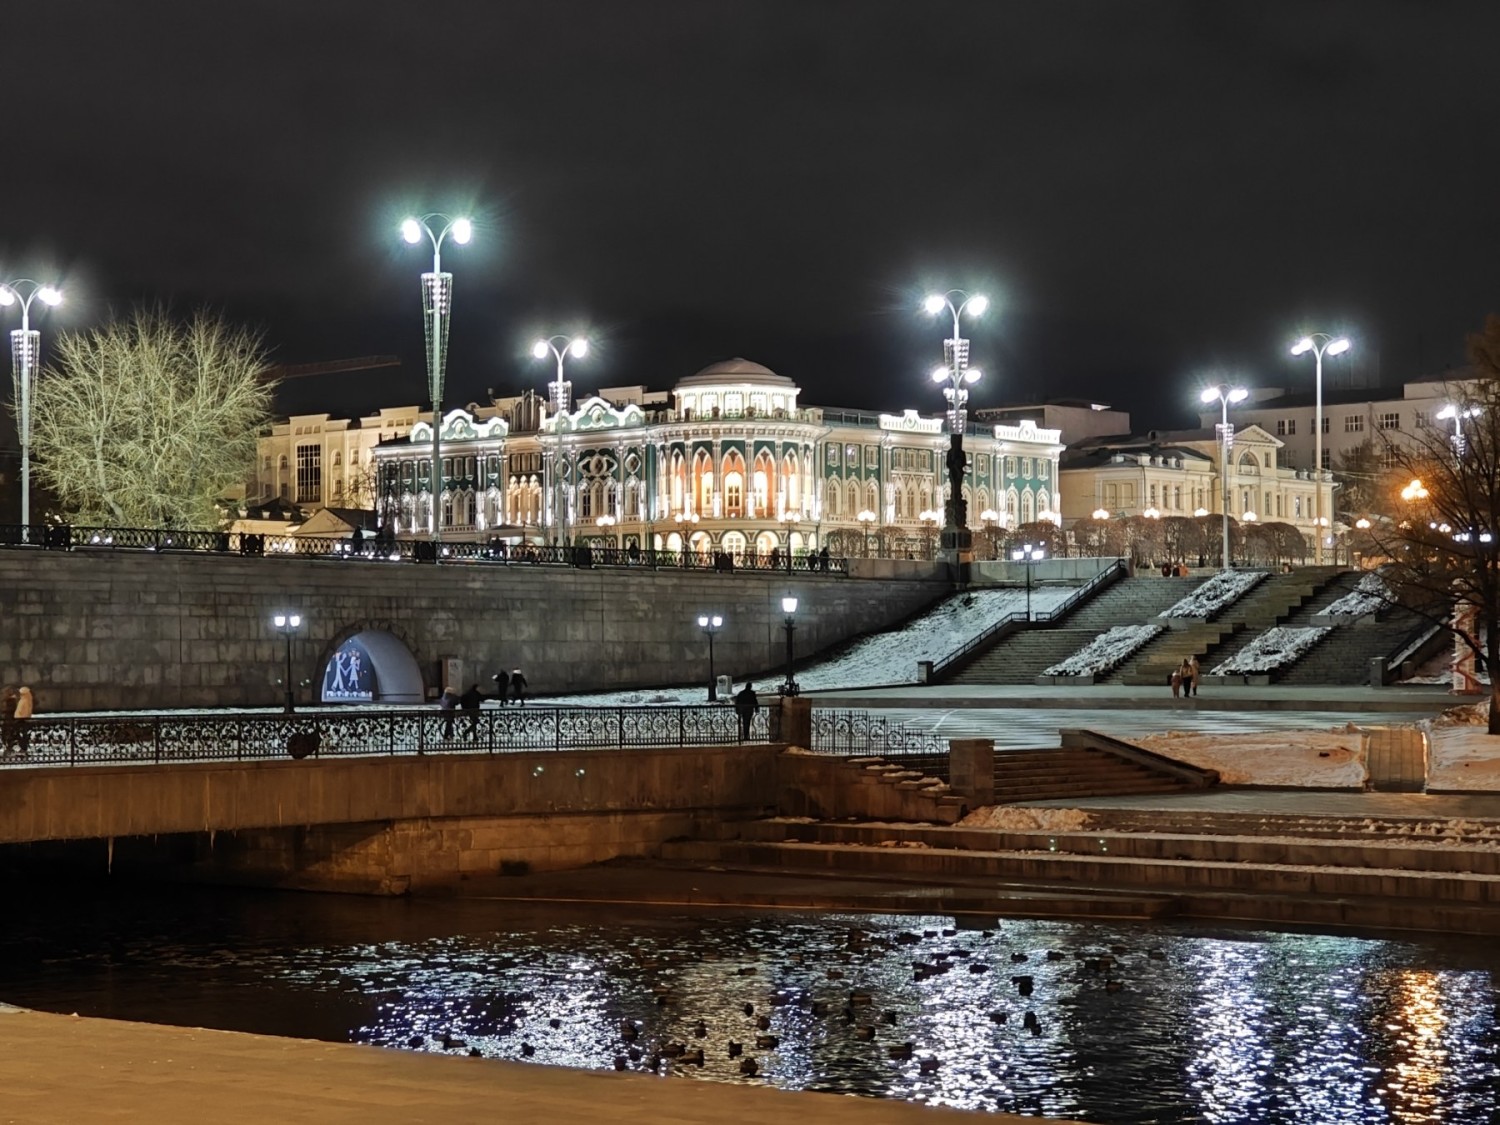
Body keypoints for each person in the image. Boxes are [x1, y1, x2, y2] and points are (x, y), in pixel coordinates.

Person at [13, 686, 33, 754]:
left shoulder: (25, 701)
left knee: (21, 735)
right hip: (21, 719)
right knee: (21, 735)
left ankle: (23, 749)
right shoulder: (24, 700)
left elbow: (24, 711)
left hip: (22, 720)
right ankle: (23, 748)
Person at [1, 687, 17, 755]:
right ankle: (8, 749)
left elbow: (10, 710)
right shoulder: (11, 700)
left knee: (8, 735)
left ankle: (9, 750)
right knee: (7, 735)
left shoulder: (10, 700)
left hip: (9, 721)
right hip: (9, 721)